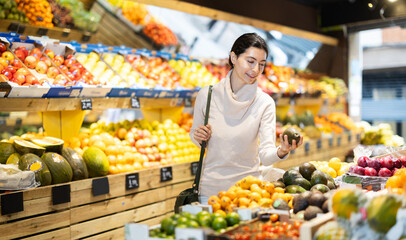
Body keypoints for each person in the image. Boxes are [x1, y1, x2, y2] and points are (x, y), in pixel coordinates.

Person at [189, 33, 303, 204]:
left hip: (248, 193)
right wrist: (197, 136)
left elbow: (265, 155)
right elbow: (195, 136)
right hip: (210, 192)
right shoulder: (207, 95)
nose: (256, 70)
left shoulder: (264, 103)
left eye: (261, 64)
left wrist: (282, 150)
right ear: (233, 57)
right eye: (250, 61)